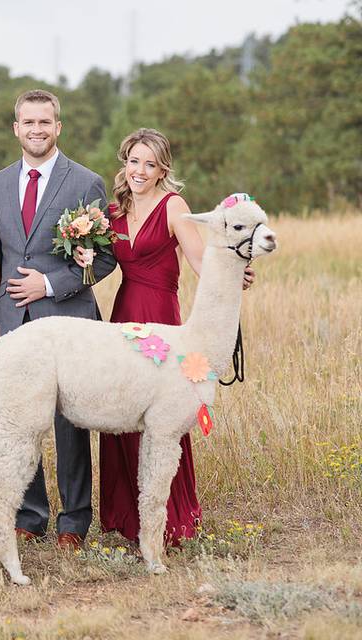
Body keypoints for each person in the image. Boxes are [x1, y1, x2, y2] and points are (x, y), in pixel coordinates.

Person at [90, 128, 255, 545]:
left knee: (164, 416)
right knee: (123, 408)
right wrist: (82, 255)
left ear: (162, 168)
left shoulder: (173, 205)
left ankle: (173, 517)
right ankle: (127, 517)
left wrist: (229, 276)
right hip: (125, 316)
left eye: (149, 163)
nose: (140, 171)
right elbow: (103, 262)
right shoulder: (114, 211)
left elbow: (201, 258)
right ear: (123, 164)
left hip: (161, 316)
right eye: (133, 161)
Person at [0, 90, 117, 549]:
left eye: (45, 122)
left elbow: (106, 257)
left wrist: (51, 284)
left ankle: (74, 521)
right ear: (16, 128)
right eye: (28, 123)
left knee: (70, 425)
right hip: (11, 320)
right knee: (22, 421)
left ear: (58, 127)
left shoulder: (86, 182)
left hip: (68, 321)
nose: (36, 130)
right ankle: (31, 515)